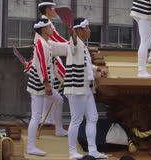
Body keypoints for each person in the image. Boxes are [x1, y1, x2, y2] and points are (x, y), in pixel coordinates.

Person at [65, 17, 109, 159]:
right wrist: (73, 35)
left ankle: (92, 150)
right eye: (87, 27)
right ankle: (72, 152)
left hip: (87, 87)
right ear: (79, 30)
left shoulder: (83, 45)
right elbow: (73, 45)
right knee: (76, 120)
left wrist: (98, 69)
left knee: (93, 117)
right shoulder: (75, 43)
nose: (90, 30)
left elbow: (86, 65)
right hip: (77, 88)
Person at [26, 18, 68, 156]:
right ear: (44, 29)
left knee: (59, 100)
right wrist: (47, 85)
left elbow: (38, 62)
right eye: (50, 27)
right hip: (40, 86)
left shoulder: (45, 43)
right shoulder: (41, 44)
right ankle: (31, 147)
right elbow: (42, 65)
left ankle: (59, 128)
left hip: (42, 85)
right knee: (36, 116)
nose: (52, 29)